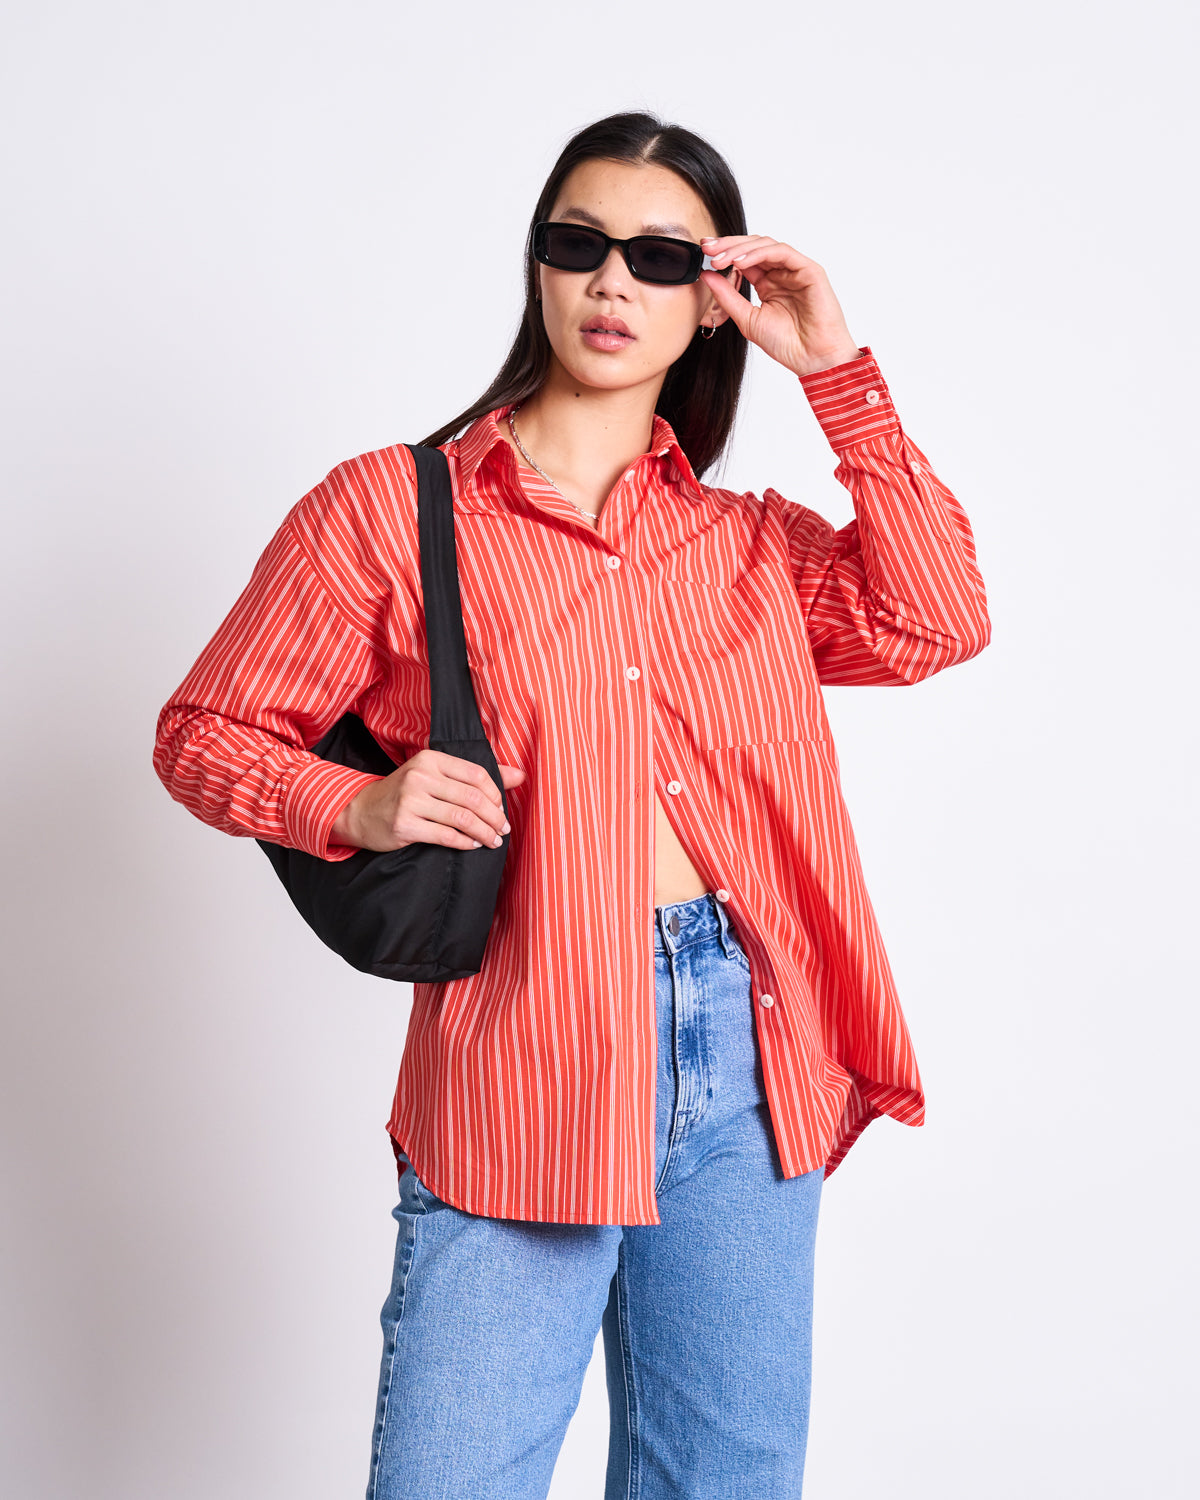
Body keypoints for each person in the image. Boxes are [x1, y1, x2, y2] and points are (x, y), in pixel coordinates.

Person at [153, 110, 991, 1499]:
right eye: (580, 243)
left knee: (720, 1480)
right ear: (537, 267)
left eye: (661, 256)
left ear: (710, 301)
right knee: (453, 1478)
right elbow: (206, 733)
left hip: (749, 1039)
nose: (614, 281)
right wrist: (357, 802)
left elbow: (938, 618)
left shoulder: (749, 547)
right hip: (527, 1039)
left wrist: (836, 372)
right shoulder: (386, 512)